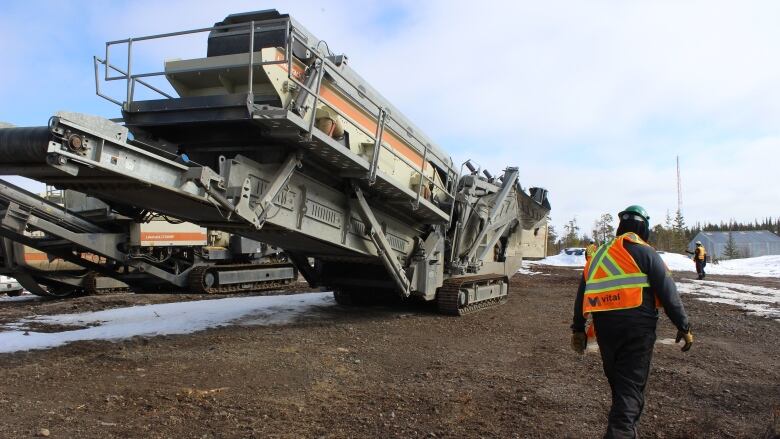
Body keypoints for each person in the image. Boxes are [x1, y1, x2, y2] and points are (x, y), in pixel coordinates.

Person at [570, 205, 693, 439]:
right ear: (643, 227)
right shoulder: (645, 252)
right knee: (629, 391)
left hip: (605, 330)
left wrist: (578, 329)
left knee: (621, 387)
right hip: (637, 329)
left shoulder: (598, 256)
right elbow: (668, 292)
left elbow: (582, 294)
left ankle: (626, 431)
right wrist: (683, 325)